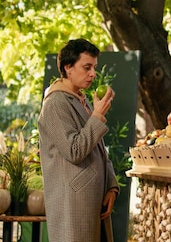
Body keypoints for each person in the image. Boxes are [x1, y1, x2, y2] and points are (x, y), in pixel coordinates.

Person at [37, 38, 119, 242]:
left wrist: (111, 186)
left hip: (92, 200)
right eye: (86, 67)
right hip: (72, 205)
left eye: (94, 67)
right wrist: (98, 116)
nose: (93, 73)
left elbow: (99, 149)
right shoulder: (55, 103)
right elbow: (74, 150)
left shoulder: (80, 99)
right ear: (68, 68)